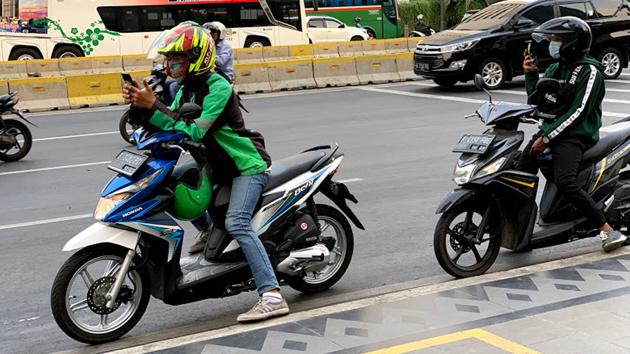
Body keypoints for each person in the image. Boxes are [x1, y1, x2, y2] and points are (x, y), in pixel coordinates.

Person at [123, 24, 290, 323]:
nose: (169, 64)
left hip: (244, 166)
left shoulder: (219, 88)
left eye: (176, 58)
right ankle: (207, 230)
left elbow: (194, 129)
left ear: (196, 57)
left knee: (238, 222)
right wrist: (141, 108)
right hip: (215, 166)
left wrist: (155, 105)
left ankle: (272, 295)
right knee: (173, 184)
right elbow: (168, 120)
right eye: (169, 58)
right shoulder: (186, 88)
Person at [519, 16, 627, 252]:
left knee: (566, 181)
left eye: (557, 39)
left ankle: (607, 230)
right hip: (551, 131)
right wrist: (530, 75)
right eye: (552, 39)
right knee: (521, 166)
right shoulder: (555, 68)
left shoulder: (590, 72)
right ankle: (521, 225)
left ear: (572, 43)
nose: (552, 43)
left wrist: (546, 138)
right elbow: (538, 102)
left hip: (576, 135)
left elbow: (578, 113)